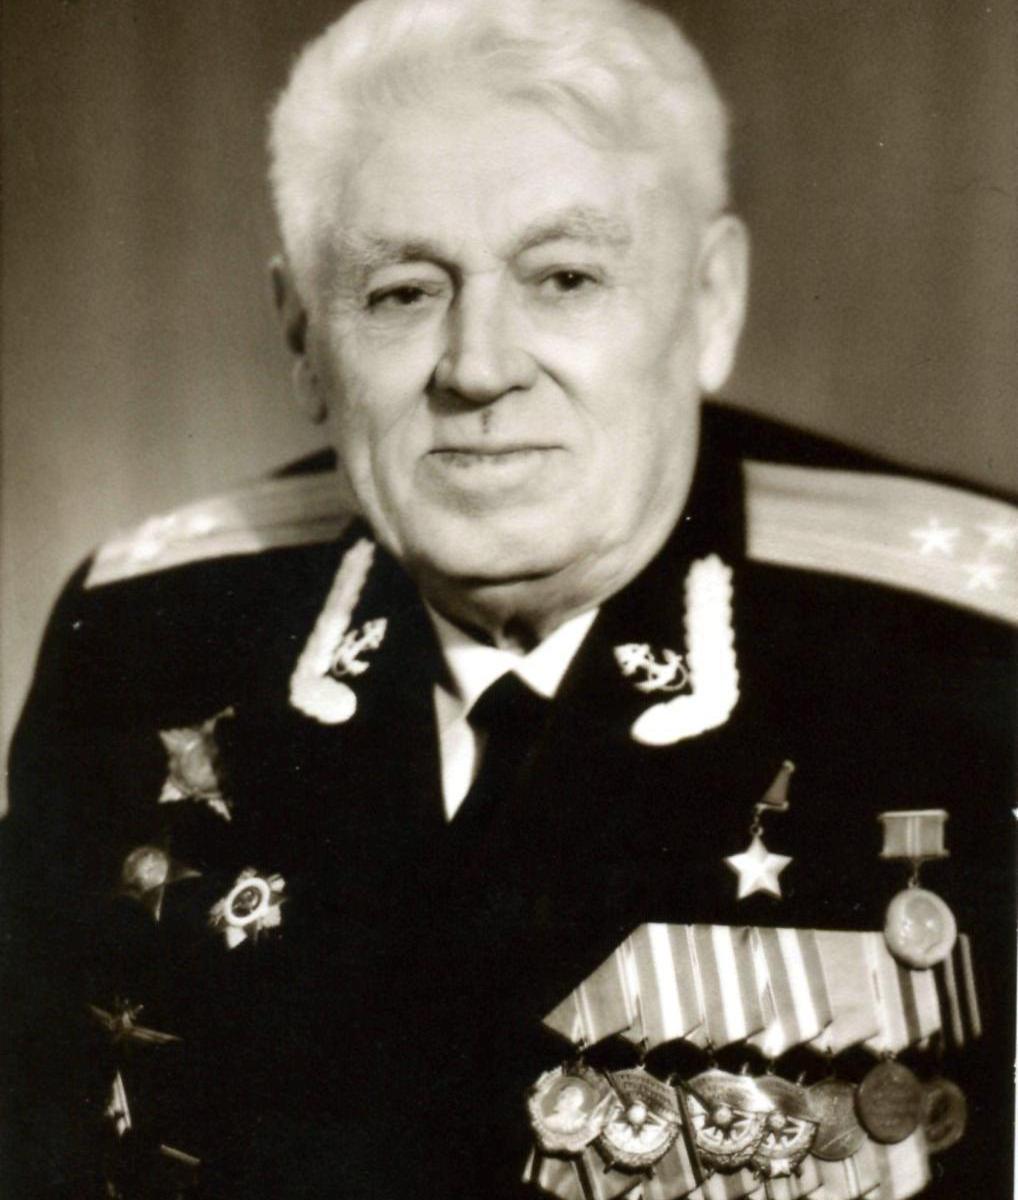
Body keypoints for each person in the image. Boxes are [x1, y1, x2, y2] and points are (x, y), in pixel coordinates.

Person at [2, 0, 1014, 1197]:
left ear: (710, 303)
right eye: (401, 292)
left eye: (564, 278)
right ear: (301, 335)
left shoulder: (962, 657)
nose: (479, 368)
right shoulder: (145, 642)